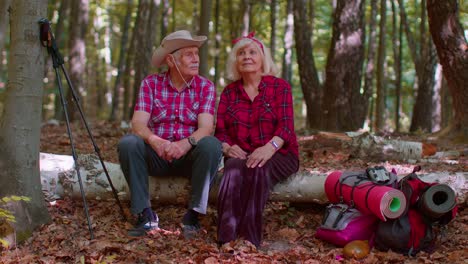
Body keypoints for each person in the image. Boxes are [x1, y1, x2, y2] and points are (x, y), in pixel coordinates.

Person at [118, 30, 222, 238]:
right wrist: (155, 141)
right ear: (171, 61)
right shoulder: (151, 83)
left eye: (196, 53)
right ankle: (145, 214)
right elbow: (138, 123)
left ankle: (193, 215)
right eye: (188, 54)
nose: (196, 59)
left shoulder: (205, 87)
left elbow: (206, 127)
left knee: (211, 144)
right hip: (157, 156)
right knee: (128, 143)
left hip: (189, 159)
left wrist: (185, 144)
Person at [215, 32, 299, 247]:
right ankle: (226, 238)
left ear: (263, 58)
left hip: (280, 153)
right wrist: (227, 147)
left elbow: (286, 128)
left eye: (252, 52)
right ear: (236, 61)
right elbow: (220, 132)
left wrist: (269, 148)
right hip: (241, 153)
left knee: (258, 167)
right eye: (241, 53)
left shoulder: (280, 87)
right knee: (233, 168)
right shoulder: (229, 93)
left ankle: (250, 239)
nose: (246, 56)